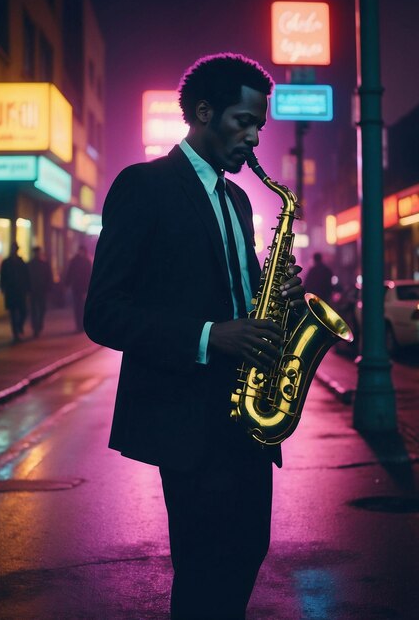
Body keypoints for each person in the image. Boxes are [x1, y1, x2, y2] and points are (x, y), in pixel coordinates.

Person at [84, 53, 305, 620]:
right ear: (203, 112)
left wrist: (275, 297)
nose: (254, 138)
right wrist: (211, 336)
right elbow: (104, 312)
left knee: (248, 551)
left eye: (260, 126)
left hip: (247, 419)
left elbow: (241, 293)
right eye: (243, 122)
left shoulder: (237, 201)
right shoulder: (143, 187)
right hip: (188, 420)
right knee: (205, 570)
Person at [0, 242, 30, 342]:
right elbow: (3, 276)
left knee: (23, 312)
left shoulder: (21, 262)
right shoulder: (6, 262)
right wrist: (3, 287)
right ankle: (15, 333)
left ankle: (19, 327)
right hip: (11, 291)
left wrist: (27, 288)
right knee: (13, 313)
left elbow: (26, 276)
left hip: (20, 291)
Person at [65, 244, 92, 332]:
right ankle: (79, 325)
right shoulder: (75, 261)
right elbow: (70, 273)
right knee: (78, 307)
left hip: (83, 288)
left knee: (82, 307)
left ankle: (82, 325)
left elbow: (89, 276)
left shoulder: (86, 262)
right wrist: (67, 284)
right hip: (76, 288)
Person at [27, 246, 53, 338]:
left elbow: (49, 277)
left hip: (42, 290)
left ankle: (39, 325)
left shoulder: (44, 264)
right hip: (33, 290)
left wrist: (49, 288)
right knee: (34, 310)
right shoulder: (30, 264)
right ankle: (36, 328)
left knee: (42, 309)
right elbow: (26, 278)